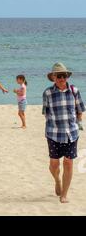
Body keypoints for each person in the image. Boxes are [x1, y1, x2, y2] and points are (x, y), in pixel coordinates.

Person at [43, 62, 85, 203]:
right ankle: (57, 180)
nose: (62, 78)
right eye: (59, 76)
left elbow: (80, 110)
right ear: (53, 77)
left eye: (64, 75)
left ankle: (64, 194)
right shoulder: (47, 93)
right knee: (54, 165)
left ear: (67, 77)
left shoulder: (74, 91)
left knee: (68, 162)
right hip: (53, 133)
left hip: (71, 133)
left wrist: (78, 124)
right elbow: (46, 113)